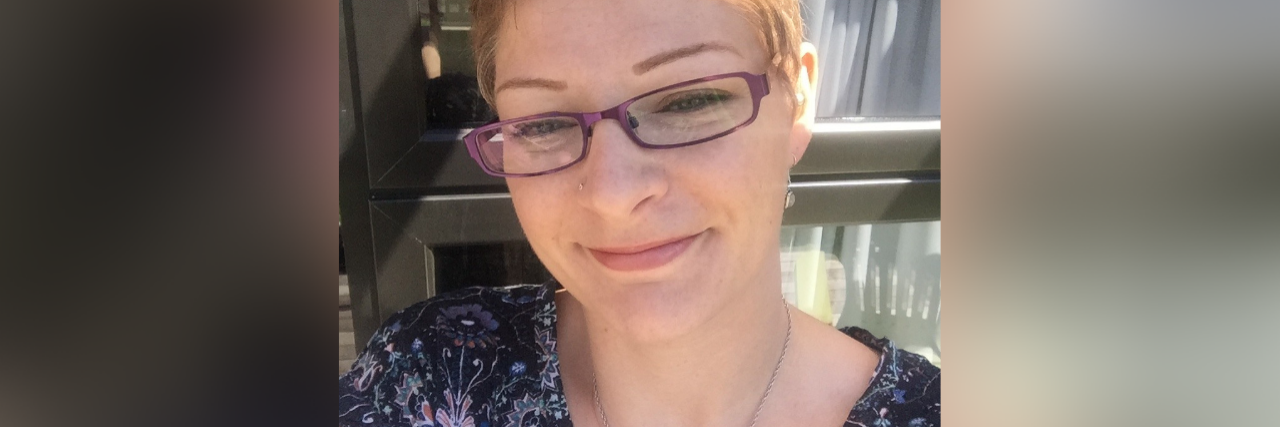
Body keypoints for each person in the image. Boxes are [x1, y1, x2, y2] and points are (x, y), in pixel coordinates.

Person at [339, 0, 941, 425]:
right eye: (543, 123)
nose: (611, 193)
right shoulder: (427, 374)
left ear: (797, 98)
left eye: (688, 101)